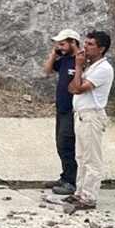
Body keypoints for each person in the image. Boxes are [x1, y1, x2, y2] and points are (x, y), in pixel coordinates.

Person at [65, 31, 115, 212]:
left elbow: (78, 89)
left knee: (92, 158)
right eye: (85, 43)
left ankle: (89, 197)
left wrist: (78, 67)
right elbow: (72, 87)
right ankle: (80, 192)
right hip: (81, 115)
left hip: (92, 115)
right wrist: (81, 69)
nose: (85, 47)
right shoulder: (90, 67)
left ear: (101, 49)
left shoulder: (103, 69)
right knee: (81, 156)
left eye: (90, 44)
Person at [43, 29, 81, 195]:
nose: (60, 47)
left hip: (73, 111)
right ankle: (65, 176)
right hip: (62, 109)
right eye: (58, 44)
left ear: (73, 42)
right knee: (61, 145)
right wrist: (54, 55)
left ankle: (71, 181)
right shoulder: (64, 59)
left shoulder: (81, 61)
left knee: (68, 146)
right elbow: (47, 71)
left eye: (62, 44)